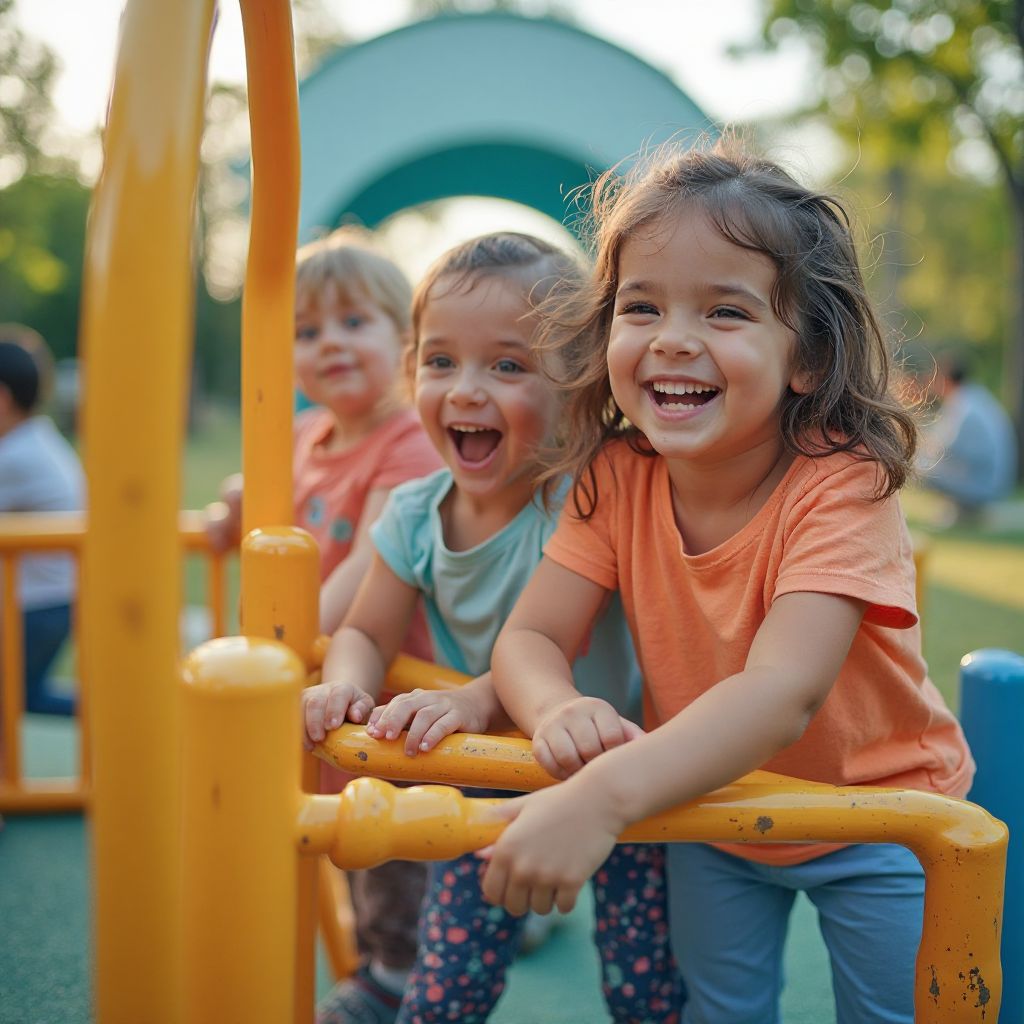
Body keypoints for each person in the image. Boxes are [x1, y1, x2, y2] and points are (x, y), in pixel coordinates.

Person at [482, 139, 975, 1024]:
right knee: (721, 1009)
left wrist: (601, 797)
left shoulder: (842, 481)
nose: (673, 338)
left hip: (879, 812)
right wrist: (554, 709)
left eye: (726, 312)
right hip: (710, 797)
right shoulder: (617, 476)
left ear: (807, 358)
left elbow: (782, 693)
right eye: (642, 306)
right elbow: (530, 637)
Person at [303, 232, 683, 1024]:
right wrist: (346, 684)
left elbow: (563, 645)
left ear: (576, 387)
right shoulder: (416, 513)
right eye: (441, 362)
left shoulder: (588, 499)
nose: (466, 391)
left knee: (646, 984)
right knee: (447, 982)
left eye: (508, 366)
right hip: (484, 772)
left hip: (616, 770)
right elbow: (367, 631)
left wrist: (472, 699)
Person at [207, 228, 443, 1022]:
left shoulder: (409, 441)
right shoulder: (306, 434)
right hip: (318, 674)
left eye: (353, 322)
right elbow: (265, 496)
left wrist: (278, 640)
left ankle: (395, 973)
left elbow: (370, 562)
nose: (329, 343)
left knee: (387, 839)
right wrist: (231, 508)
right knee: (338, 829)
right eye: (307, 331)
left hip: (386, 678)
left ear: (405, 339)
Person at [0, 326, 84, 716]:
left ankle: (125, 708)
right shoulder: (33, 440)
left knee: (14, 696)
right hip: (51, 599)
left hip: (39, 605)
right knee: (24, 695)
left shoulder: (17, 457)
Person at [915, 351, 1017, 524]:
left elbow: (943, 447)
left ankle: (965, 511)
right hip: (994, 479)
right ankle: (960, 510)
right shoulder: (973, 398)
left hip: (985, 485)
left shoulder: (964, 407)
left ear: (946, 380)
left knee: (914, 468)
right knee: (922, 463)